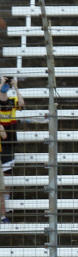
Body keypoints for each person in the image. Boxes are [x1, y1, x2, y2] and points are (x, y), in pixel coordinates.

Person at [0, 75, 23, 222]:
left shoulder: (12, 101)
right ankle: (3, 211)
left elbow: (21, 103)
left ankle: (6, 206)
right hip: (2, 140)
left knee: (7, 175)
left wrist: (15, 87)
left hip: (10, 141)